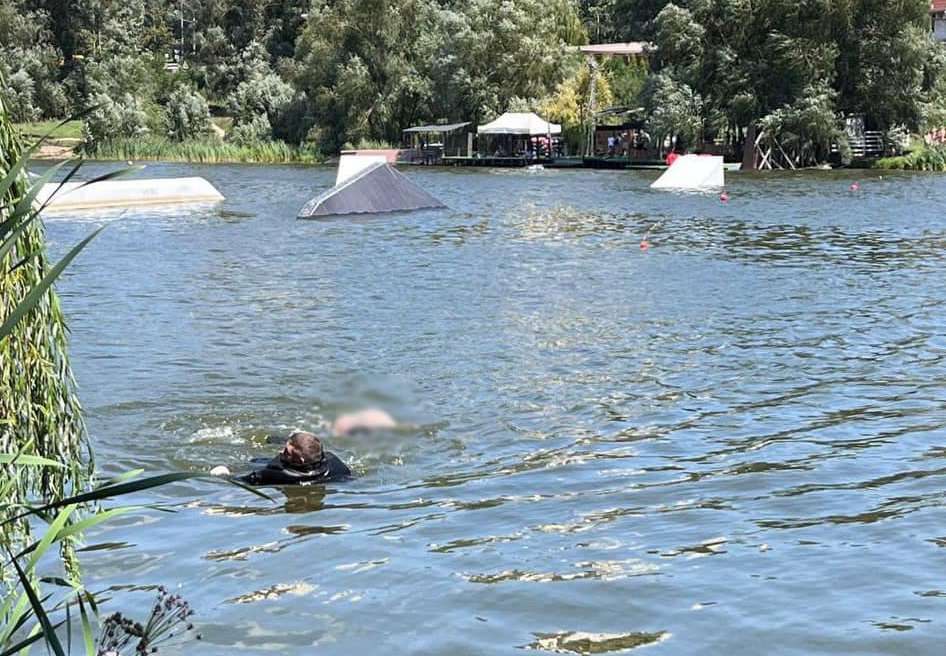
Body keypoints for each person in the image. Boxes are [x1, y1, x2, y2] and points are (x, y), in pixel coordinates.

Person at [211, 431, 351, 486]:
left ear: (300, 461)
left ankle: (271, 439)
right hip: (308, 466)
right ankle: (277, 440)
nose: (281, 452)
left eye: (286, 451)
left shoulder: (275, 473)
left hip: (292, 470)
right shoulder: (335, 464)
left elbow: (240, 481)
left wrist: (223, 475)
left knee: (254, 461)